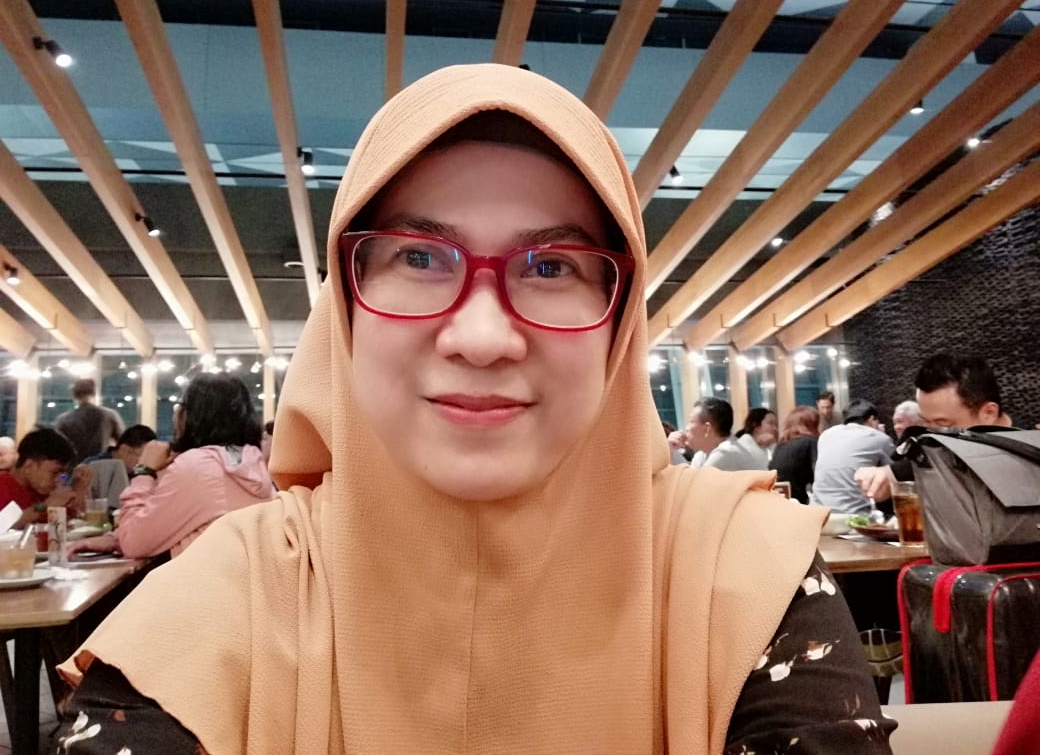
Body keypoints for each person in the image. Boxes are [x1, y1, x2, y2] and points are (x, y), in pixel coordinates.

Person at [55, 65, 891, 752]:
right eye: (419, 257)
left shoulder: (741, 575)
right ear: (345, 310)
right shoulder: (220, 599)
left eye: (553, 267)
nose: (484, 337)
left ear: (619, 321)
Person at [68, 373, 274, 560]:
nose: (175, 415)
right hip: (240, 584)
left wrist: (144, 471)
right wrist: (116, 538)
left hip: (203, 587)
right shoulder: (252, 461)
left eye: (179, 406)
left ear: (192, 415)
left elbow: (134, 543)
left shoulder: (197, 466)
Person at [855, 353, 1008, 501]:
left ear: (989, 413)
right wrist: (884, 476)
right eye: (926, 422)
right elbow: (907, 469)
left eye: (943, 423)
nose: (931, 434)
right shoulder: (940, 448)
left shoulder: (1020, 455)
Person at [813, 399, 895, 516]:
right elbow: (895, 474)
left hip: (818, 513)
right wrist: (881, 434)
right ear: (872, 419)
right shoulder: (879, 437)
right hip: (855, 515)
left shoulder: (826, 434)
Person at [0, 428, 89, 529]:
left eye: (63, 474)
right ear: (29, 466)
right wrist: (46, 505)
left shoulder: (44, 491)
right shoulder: (3, 486)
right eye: (55, 472)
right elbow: (3, 526)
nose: (59, 479)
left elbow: (76, 519)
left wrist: (80, 487)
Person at [685, 397, 769, 472]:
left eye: (691, 421)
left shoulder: (726, 453)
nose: (686, 428)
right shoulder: (702, 454)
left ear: (707, 428)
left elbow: (694, 483)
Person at [84, 424, 158, 508]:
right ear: (125, 450)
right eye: (143, 457)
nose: (145, 463)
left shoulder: (138, 473)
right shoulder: (92, 465)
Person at [54, 377, 125, 463]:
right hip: (101, 465)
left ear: (74, 396)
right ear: (94, 393)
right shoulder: (109, 415)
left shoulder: (63, 419)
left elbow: (57, 448)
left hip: (74, 467)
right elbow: (124, 443)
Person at [769, 407, 820, 505]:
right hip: (799, 500)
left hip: (779, 498)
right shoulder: (810, 441)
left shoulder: (781, 445)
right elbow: (818, 474)